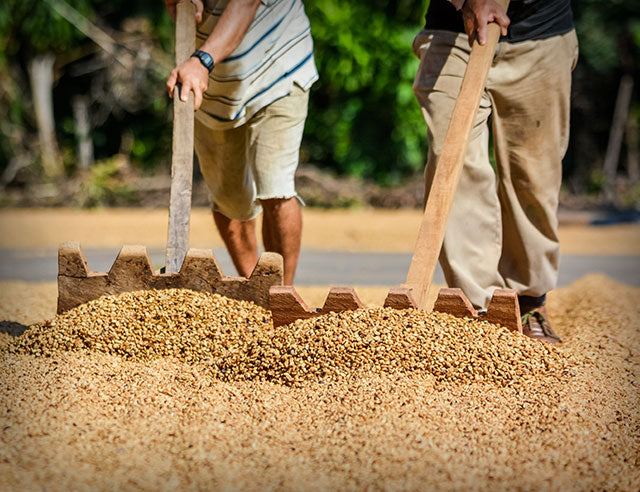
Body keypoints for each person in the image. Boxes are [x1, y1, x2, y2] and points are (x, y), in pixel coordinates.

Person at [412, 0, 578, 342]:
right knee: (452, 165)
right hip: (453, 33)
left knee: (534, 175)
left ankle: (529, 300)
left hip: (541, 34)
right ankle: (478, 310)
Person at [164, 0, 318, 284]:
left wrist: (203, 61)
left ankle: (282, 297)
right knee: (230, 201)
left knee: (275, 185)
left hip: (276, 63)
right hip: (208, 86)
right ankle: (257, 293)